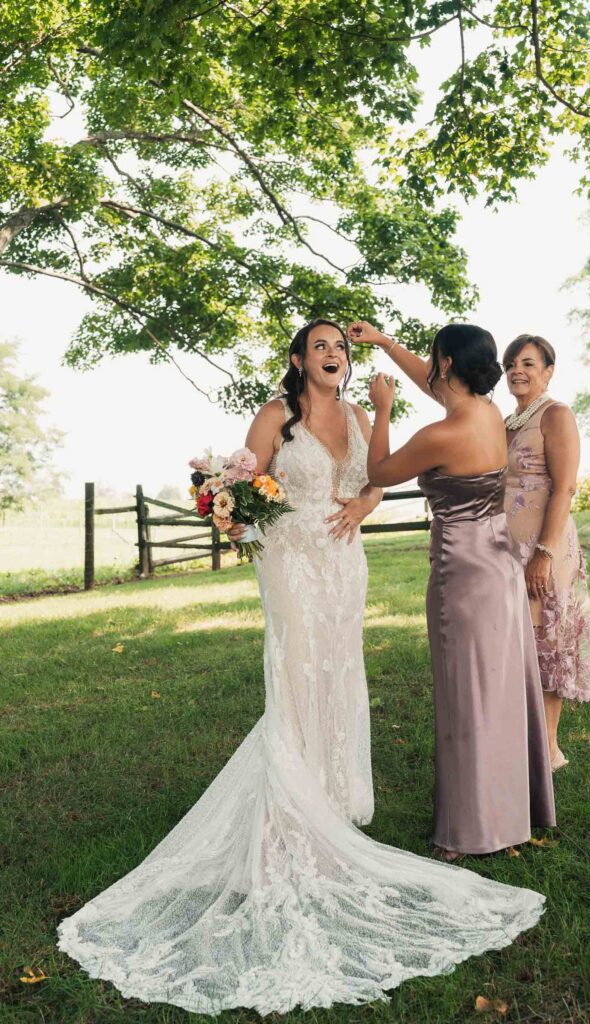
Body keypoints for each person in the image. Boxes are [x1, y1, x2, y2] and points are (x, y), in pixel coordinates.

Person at [57, 319, 548, 1017]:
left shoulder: (359, 416)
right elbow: (243, 484)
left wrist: (362, 504)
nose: (334, 354)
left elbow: (374, 481)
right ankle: (288, 814)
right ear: (297, 359)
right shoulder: (274, 415)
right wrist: (235, 514)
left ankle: (331, 806)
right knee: (295, 672)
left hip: (343, 561)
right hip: (290, 560)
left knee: (338, 674)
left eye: (340, 346)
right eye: (321, 346)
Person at [359, 320, 555, 859]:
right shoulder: (488, 413)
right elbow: (436, 386)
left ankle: (471, 830)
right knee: (500, 689)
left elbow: (379, 471)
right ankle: (513, 810)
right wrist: (385, 343)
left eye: (434, 358)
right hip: (500, 564)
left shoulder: (439, 436)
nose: (430, 366)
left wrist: (381, 410)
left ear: (447, 363)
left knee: (465, 696)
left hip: (462, 573)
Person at [502, 335, 590, 771]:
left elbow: (565, 487)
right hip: (504, 552)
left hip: (545, 548)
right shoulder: (506, 421)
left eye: (527, 363)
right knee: (517, 644)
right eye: (510, 365)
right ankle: (522, 744)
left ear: (548, 371)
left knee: (547, 644)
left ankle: (549, 750)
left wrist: (544, 552)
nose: (516, 371)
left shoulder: (555, 415)